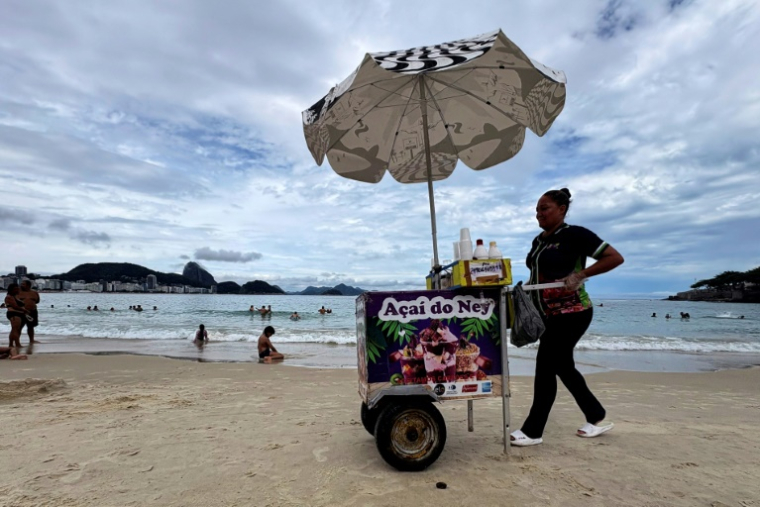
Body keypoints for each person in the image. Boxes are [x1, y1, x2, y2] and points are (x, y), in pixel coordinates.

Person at [510, 188, 624, 447]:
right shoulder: (538, 241)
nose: (539, 214)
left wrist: (580, 275)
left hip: (573, 312)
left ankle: (533, 430)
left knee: (545, 367)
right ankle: (595, 413)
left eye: (544, 208)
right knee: (563, 366)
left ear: (562, 209)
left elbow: (614, 257)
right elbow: (538, 275)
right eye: (537, 210)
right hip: (547, 315)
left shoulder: (576, 235)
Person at [4, 283, 28, 348]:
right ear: (11, 290)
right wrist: (24, 310)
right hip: (14, 313)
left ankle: (11, 344)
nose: (17, 290)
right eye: (15, 289)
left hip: (19, 314)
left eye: (17, 289)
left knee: (16, 330)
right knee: (15, 329)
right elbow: (15, 306)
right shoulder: (9, 297)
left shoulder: (15, 296)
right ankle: (17, 344)